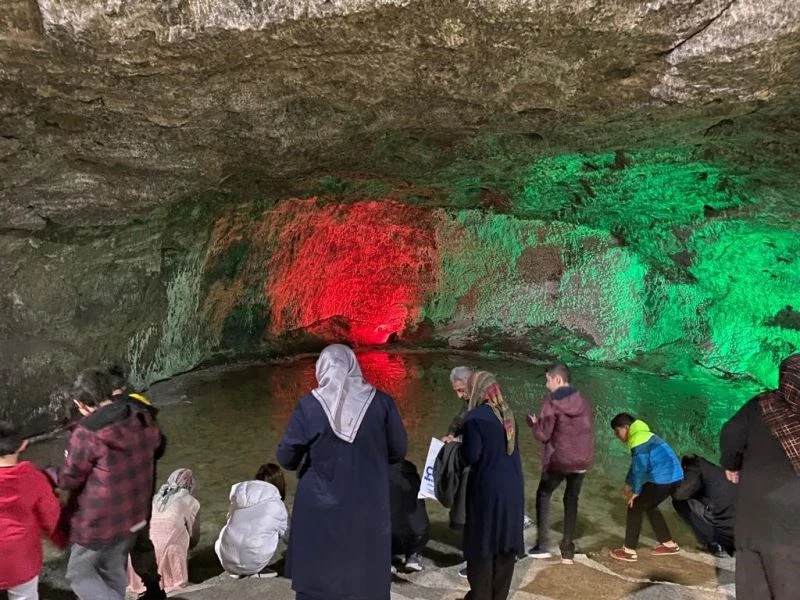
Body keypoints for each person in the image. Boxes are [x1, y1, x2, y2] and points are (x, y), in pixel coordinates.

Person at [276, 344, 407, 600]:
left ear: (322, 369)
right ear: (353, 367)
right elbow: (398, 450)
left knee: (318, 580)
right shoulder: (382, 404)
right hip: (367, 506)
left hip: (319, 509)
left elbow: (286, 458)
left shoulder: (310, 406)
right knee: (364, 578)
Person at [47, 368, 162, 600]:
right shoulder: (140, 414)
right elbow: (158, 445)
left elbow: (70, 478)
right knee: (112, 569)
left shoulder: (87, 432)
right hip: (136, 512)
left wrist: (47, 473)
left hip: (102, 520)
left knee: (79, 574)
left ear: (81, 403)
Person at [720, 353, 800, 599]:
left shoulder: (761, 404)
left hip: (752, 514)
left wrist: (731, 465)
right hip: (791, 525)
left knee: (752, 582)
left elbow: (731, 433)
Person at [461, 371, 524, 600]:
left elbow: (472, 455)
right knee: (505, 545)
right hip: (513, 490)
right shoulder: (508, 415)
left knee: (483, 544)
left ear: (477, 390)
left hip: (488, 491)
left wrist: (456, 446)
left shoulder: (475, 417)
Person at [108, 365, 168, 600]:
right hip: (142, 491)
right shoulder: (143, 408)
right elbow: (160, 447)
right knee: (141, 542)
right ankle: (153, 589)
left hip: (118, 493)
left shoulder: (111, 414)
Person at [527, 364, 594, 564]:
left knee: (543, 494)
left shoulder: (551, 403)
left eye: (548, 380)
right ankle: (567, 549)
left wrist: (534, 423)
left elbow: (544, 434)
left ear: (558, 380)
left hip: (559, 459)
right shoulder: (584, 402)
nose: (547, 385)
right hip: (582, 459)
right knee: (571, 499)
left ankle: (542, 545)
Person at [0, 421, 65, 600]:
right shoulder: (32, 478)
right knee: (24, 596)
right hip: (20, 557)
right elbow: (51, 515)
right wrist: (61, 539)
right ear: (23, 445)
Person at [608, 413, 683, 562]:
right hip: (675, 478)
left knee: (634, 506)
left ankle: (629, 551)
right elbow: (637, 465)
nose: (617, 436)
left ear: (626, 427)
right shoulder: (645, 435)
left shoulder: (638, 439)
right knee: (649, 505)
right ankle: (669, 544)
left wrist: (636, 491)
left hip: (663, 479)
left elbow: (640, 468)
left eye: (617, 431)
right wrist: (629, 483)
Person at [127, 469, 200, 594]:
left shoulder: (154, 498)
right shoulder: (191, 502)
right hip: (167, 554)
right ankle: (172, 574)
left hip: (139, 554)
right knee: (183, 533)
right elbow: (195, 537)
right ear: (191, 486)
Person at [215, 463, 289, 578]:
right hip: (254, 563)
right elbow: (289, 537)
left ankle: (236, 568)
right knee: (276, 528)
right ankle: (254, 568)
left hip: (227, 562)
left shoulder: (238, 498)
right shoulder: (278, 505)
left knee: (232, 526)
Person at [671, 454, 735, 557]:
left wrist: (671, 485)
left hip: (726, 527)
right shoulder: (715, 471)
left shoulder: (695, 466)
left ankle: (715, 543)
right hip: (743, 532)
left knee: (679, 503)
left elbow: (679, 494)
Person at [390, 459, 430, 572]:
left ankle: (383, 559)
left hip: (385, 540)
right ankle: (412, 556)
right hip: (415, 537)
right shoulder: (411, 474)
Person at [442, 366, 473, 443]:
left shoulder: (485, 404)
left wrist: (457, 440)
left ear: (470, 384)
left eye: (461, 390)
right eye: (457, 391)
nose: (459, 396)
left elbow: (482, 436)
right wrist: (450, 435)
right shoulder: (469, 401)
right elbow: (457, 421)